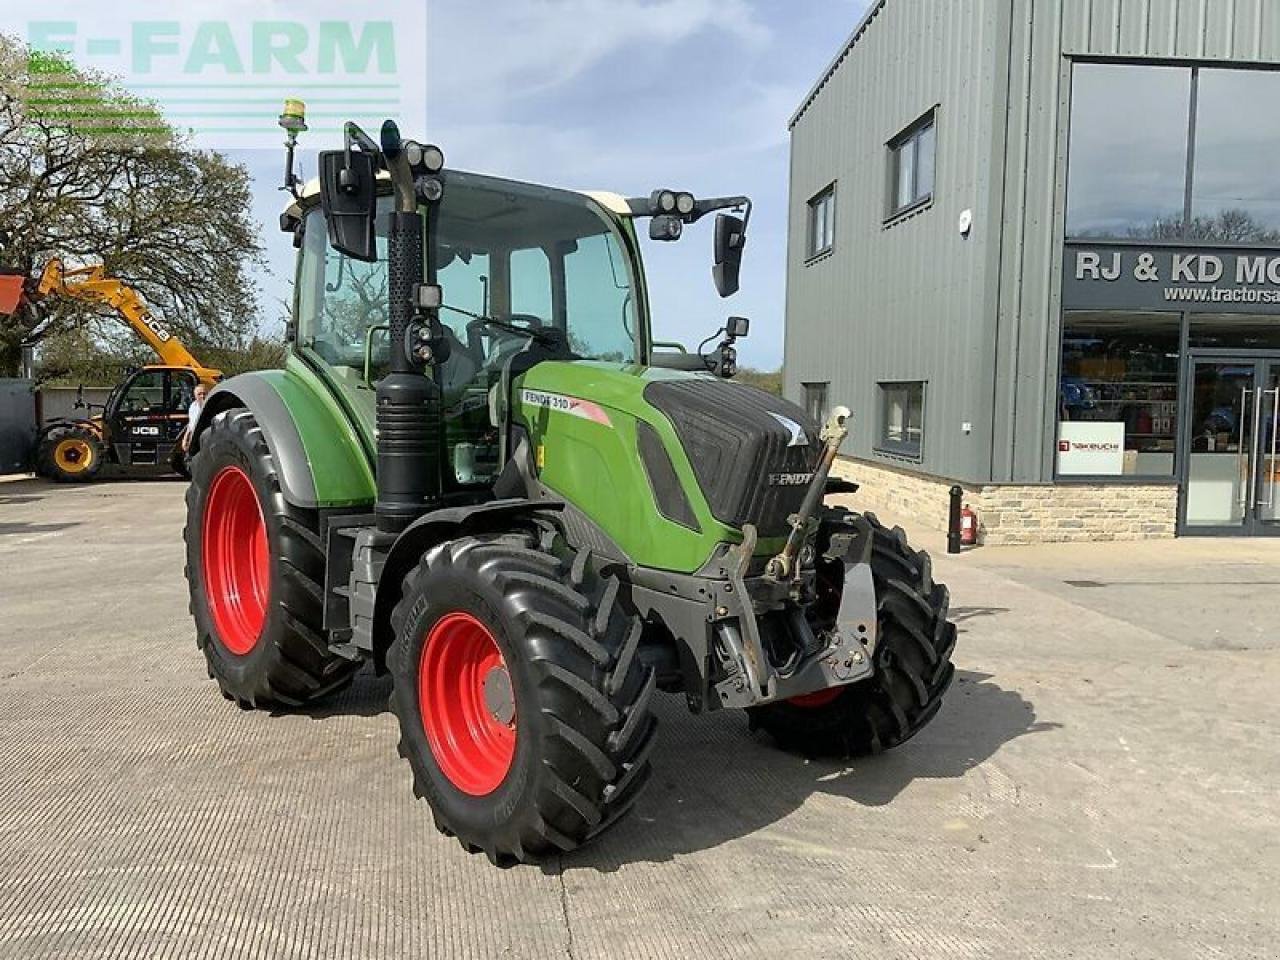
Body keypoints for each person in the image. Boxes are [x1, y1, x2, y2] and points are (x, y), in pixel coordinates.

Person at [183, 383, 208, 452]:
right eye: (199, 394)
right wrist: (185, 439)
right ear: (195, 396)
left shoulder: (210, 407)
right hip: (194, 440)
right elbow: (190, 425)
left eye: (204, 393)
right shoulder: (193, 406)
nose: (202, 396)